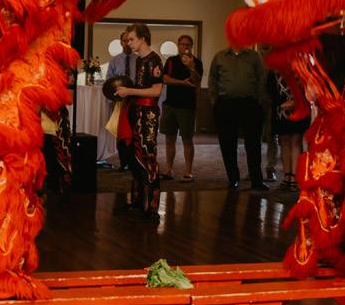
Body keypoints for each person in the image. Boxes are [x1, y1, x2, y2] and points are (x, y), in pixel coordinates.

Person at [112, 23, 164, 216]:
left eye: (132, 39)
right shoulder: (140, 60)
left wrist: (130, 91)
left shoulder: (154, 60)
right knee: (135, 156)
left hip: (147, 114)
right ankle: (138, 201)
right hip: (136, 111)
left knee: (147, 155)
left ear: (143, 39)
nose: (129, 43)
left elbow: (156, 91)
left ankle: (151, 206)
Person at [209, 43, 267, 190]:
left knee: (253, 144)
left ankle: (256, 180)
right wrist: (214, 101)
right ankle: (233, 179)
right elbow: (213, 79)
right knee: (227, 144)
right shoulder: (219, 57)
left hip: (249, 103)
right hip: (225, 104)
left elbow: (262, 77)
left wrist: (258, 99)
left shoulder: (254, 56)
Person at [160, 34, 202, 182]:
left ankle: (188, 171)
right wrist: (182, 83)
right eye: (183, 44)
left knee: (187, 139)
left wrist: (191, 68)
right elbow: (165, 78)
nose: (185, 47)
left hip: (187, 106)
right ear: (178, 46)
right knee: (169, 139)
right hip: (170, 104)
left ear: (192, 46)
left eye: (188, 44)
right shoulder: (171, 61)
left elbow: (196, 81)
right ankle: (168, 169)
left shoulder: (197, 62)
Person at [268, 71, 310, 192]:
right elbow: (270, 87)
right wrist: (280, 103)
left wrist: (297, 102)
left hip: (299, 107)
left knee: (296, 141)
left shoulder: (300, 65)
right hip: (280, 109)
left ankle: (295, 178)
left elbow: (307, 84)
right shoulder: (274, 69)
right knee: (284, 141)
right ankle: (287, 176)